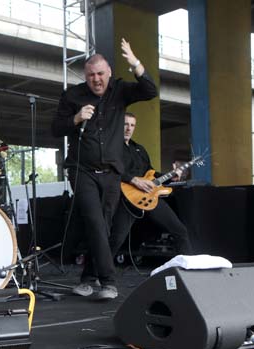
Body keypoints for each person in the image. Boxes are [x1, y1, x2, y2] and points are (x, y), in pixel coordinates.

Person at [51, 38, 158, 300]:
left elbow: (150, 90)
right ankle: (109, 282)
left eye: (100, 74)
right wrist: (76, 118)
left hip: (111, 172)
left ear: (109, 73)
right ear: (85, 77)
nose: (96, 79)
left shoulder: (120, 91)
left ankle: (88, 278)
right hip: (82, 170)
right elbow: (55, 129)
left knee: (103, 228)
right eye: (90, 75)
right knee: (96, 223)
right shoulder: (73, 95)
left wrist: (134, 62)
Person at [109, 112, 192, 258]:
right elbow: (109, 170)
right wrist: (133, 180)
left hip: (149, 195)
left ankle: (187, 271)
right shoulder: (111, 148)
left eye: (132, 125)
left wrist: (171, 176)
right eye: (125, 124)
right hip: (126, 197)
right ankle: (97, 273)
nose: (129, 128)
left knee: (180, 231)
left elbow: (150, 173)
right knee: (116, 239)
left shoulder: (139, 149)